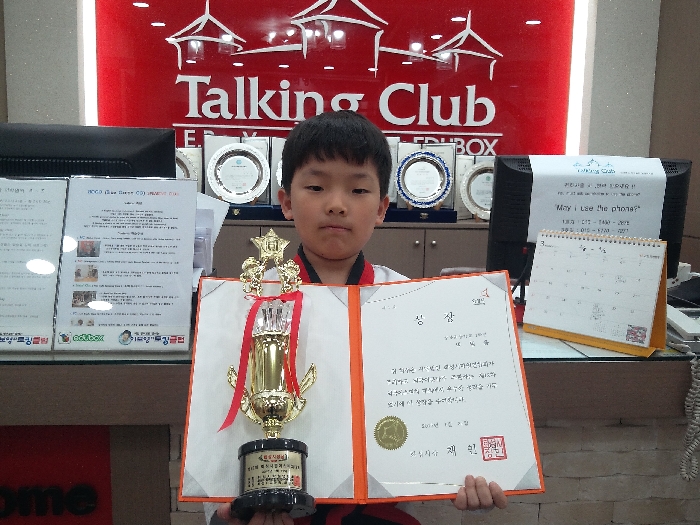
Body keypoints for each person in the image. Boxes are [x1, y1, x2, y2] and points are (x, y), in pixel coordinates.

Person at [212, 110, 507, 524]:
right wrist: (225, 510)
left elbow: (444, 409)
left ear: (382, 208)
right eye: (316, 187)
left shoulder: (408, 298)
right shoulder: (249, 301)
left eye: (358, 190)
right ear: (286, 202)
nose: (336, 205)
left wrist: (470, 469)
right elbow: (219, 413)